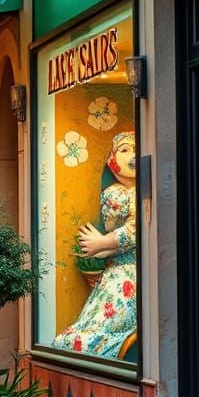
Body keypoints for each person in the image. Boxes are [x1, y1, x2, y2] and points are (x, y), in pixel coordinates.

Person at [52, 131, 137, 359]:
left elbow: (134, 232)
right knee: (90, 325)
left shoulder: (137, 194)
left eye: (136, 150)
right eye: (125, 149)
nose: (132, 156)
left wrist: (100, 243)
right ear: (112, 158)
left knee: (106, 326)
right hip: (114, 275)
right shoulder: (116, 193)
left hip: (131, 276)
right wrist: (101, 247)